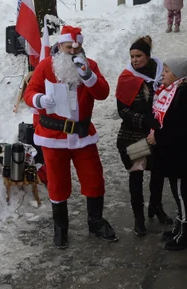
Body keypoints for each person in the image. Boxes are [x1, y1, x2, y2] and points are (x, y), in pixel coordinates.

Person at [24, 25, 118, 248]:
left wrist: (88, 75)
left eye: (77, 48)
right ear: (60, 46)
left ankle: (95, 222)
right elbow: (29, 93)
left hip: (82, 135)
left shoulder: (90, 65)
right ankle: (60, 229)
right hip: (53, 135)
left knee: (94, 178)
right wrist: (39, 99)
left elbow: (103, 93)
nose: (73, 52)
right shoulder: (47, 65)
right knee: (57, 182)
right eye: (69, 48)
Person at [115, 36, 172, 236]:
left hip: (156, 135)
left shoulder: (160, 74)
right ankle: (138, 217)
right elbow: (122, 110)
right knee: (136, 175)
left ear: (148, 56)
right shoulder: (126, 77)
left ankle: (155, 206)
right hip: (133, 136)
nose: (134, 60)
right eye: (131, 56)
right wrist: (144, 120)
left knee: (158, 172)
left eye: (138, 56)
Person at [148, 56, 187, 251]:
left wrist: (159, 137)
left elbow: (182, 127)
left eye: (167, 70)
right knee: (177, 191)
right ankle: (180, 227)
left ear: (177, 74)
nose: (162, 74)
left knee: (181, 192)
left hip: (183, 155)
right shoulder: (174, 90)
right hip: (174, 154)